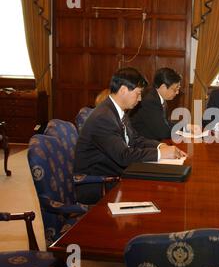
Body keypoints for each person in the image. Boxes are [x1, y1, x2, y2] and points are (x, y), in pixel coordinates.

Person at [74, 67, 187, 204]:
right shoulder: (103, 117)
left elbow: (135, 139)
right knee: (160, 195)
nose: (140, 99)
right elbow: (124, 156)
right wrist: (160, 154)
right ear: (123, 90)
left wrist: (160, 145)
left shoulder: (118, 111)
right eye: (138, 93)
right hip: (100, 184)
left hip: (118, 174)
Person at [129, 67, 199, 140]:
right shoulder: (150, 101)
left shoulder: (158, 97)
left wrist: (186, 127)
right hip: (141, 143)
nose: (177, 93)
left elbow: (165, 123)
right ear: (163, 87)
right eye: (175, 89)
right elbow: (163, 133)